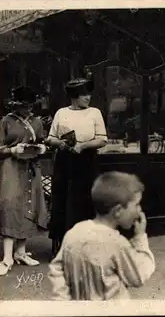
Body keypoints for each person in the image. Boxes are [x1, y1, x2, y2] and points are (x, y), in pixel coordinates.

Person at [48, 171, 155, 300]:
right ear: (118, 211)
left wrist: (63, 300)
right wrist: (140, 238)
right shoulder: (117, 243)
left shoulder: (74, 232)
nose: (140, 210)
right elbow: (138, 277)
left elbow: (57, 269)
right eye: (137, 204)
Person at [46, 78, 108, 256]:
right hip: (65, 162)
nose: (88, 97)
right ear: (74, 97)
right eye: (83, 95)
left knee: (86, 200)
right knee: (63, 201)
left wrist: (83, 145)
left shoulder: (95, 113)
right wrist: (61, 143)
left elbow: (103, 139)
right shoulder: (61, 113)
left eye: (89, 94)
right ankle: (63, 246)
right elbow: (50, 138)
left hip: (86, 162)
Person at [0, 86, 49, 276]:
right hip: (12, 167)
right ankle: (7, 257)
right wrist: (11, 150)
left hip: (31, 168)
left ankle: (21, 252)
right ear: (16, 105)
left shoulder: (37, 122)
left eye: (29, 106)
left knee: (29, 206)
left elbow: (41, 141)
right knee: (10, 205)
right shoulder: (6, 122)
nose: (27, 110)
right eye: (23, 106)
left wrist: (42, 149)